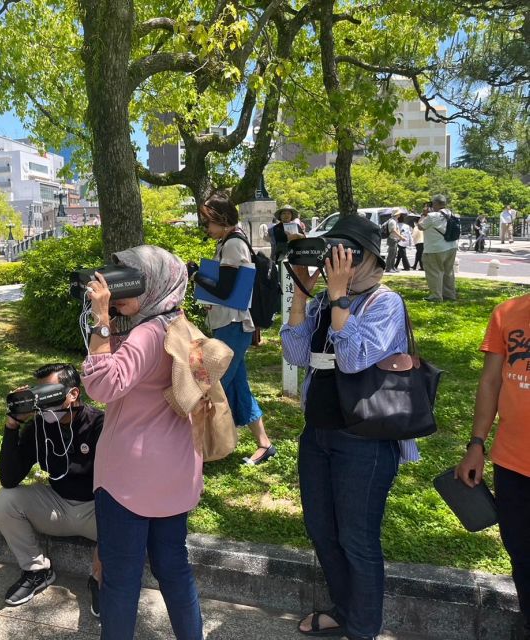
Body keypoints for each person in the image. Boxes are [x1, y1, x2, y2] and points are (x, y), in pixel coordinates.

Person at [280, 214, 418, 640]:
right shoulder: (322, 300)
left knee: (357, 539)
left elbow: (357, 360)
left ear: (367, 258)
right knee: (323, 531)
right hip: (318, 433)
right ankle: (345, 610)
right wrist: (304, 295)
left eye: (343, 253)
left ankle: (363, 629)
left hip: (365, 439)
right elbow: (296, 354)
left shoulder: (385, 303)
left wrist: (341, 300)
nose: (334, 262)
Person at [83, 245, 203, 639]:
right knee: (173, 566)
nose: (117, 290)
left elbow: (103, 384)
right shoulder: (179, 324)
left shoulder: (149, 334)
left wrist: (101, 320)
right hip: (175, 471)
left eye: (129, 281)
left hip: (129, 479)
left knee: (120, 578)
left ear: (154, 284)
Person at [0, 363, 104, 611]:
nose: (42, 401)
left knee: (122, 514)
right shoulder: (39, 427)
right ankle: (37, 571)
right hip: (57, 506)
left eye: (49, 393)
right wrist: (12, 425)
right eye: (38, 393)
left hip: (96, 510)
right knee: (6, 500)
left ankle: (100, 580)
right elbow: (10, 479)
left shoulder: (98, 424)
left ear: (73, 394)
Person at [455, 292, 530, 640]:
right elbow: (490, 381)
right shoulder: (508, 313)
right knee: (521, 553)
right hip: (512, 462)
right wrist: (476, 445)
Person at [189, 193, 275, 466]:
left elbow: (224, 289)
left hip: (234, 326)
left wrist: (194, 274)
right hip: (232, 325)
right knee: (238, 386)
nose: (207, 229)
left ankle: (195, 451)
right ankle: (264, 444)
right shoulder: (231, 242)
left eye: (209, 223)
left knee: (212, 386)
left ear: (222, 220)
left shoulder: (233, 244)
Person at [418, 194, 459, 302]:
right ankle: (449, 294)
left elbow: (420, 226)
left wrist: (424, 214)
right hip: (451, 246)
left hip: (435, 248)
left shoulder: (432, 216)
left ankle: (436, 296)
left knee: (434, 272)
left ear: (435, 203)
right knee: (448, 272)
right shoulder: (452, 214)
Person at [411, 207, 427, 271]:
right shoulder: (424, 225)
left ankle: (420, 266)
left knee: (419, 255)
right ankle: (416, 266)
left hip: (418, 242)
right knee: (419, 254)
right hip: (423, 241)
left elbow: (414, 235)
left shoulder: (417, 227)